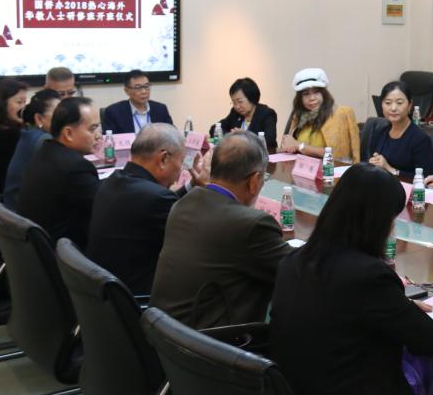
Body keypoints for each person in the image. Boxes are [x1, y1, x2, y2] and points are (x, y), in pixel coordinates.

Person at [271, 164, 433, 395]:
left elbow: (335, 306)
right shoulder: (369, 275)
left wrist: (396, 307)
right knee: (427, 361)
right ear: (377, 222)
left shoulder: (293, 260)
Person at [150, 131, 291, 329]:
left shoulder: (183, 204)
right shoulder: (251, 225)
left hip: (165, 334)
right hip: (212, 342)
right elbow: (300, 271)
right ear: (254, 180)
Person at [87, 124, 209, 295]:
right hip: (139, 298)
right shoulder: (157, 199)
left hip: (108, 294)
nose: (179, 172)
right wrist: (211, 190)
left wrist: (192, 185)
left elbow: (163, 204)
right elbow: (203, 237)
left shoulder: (113, 181)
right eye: (181, 163)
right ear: (164, 158)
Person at [17, 97, 102, 251]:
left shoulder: (46, 151)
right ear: (68, 133)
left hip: (37, 252)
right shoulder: (75, 167)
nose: (98, 135)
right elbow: (107, 210)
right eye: (92, 129)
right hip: (65, 257)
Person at [279, 67, 360, 162]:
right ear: (300, 99)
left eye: (316, 92)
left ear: (324, 94)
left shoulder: (340, 113)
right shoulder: (298, 116)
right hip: (303, 166)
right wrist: (288, 142)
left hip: (331, 168)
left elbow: (335, 153)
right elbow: (291, 144)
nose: (312, 98)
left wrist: (299, 146)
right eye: (306, 94)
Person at [3, 89, 61, 211]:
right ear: (39, 119)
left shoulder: (29, 134)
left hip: (13, 212)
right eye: (58, 114)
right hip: (25, 215)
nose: (64, 118)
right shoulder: (44, 141)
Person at [364, 81, 433, 178]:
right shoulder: (380, 132)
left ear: (410, 105)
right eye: (388, 103)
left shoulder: (420, 139)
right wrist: (372, 164)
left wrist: (390, 169)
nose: (393, 108)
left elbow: (426, 178)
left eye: (399, 103)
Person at [209, 77, 278, 148]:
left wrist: (245, 136)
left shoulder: (267, 114)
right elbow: (214, 128)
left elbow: (269, 140)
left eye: (240, 101)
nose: (237, 106)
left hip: (262, 154)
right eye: (234, 103)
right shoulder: (235, 113)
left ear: (252, 98)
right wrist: (232, 137)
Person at [101, 69, 174, 135]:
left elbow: (172, 134)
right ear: (127, 91)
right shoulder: (114, 112)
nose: (144, 91)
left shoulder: (161, 109)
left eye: (146, 86)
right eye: (138, 87)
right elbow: (109, 140)